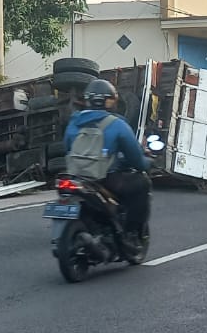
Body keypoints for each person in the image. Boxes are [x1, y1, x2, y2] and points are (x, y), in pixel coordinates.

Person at [63, 79, 151, 254]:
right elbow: (135, 158)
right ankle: (131, 233)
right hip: (105, 179)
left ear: (88, 100)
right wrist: (147, 163)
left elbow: (67, 148)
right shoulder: (117, 124)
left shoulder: (74, 122)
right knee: (142, 183)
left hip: (77, 177)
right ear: (110, 101)